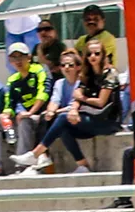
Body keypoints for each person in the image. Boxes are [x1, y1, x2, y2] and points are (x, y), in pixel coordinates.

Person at [17, 44, 118, 174]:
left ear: (103, 55)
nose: (92, 57)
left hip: (108, 121)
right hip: (91, 118)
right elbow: (75, 99)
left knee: (62, 118)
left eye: (97, 53)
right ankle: (83, 165)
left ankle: (36, 154)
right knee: (62, 126)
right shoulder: (86, 76)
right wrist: (73, 109)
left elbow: (100, 102)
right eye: (89, 54)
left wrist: (81, 99)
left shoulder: (110, 73)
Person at [8, 51, 84, 171]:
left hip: (78, 117)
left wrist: (55, 112)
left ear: (78, 67)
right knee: (44, 117)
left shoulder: (82, 82)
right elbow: (55, 100)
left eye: (70, 65)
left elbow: (75, 105)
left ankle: (38, 155)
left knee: (58, 118)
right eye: (63, 65)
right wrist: (50, 111)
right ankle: (42, 156)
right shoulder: (59, 83)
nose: (66, 68)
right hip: (63, 117)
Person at [5, 42, 50, 159]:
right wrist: (5, 115)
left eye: (21, 56)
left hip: (41, 115)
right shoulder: (12, 79)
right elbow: (9, 101)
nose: (18, 61)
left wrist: (30, 112)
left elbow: (44, 93)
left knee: (25, 120)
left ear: (29, 57)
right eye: (14, 57)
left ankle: (22, 165)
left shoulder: (39, 70)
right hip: (24, 115)